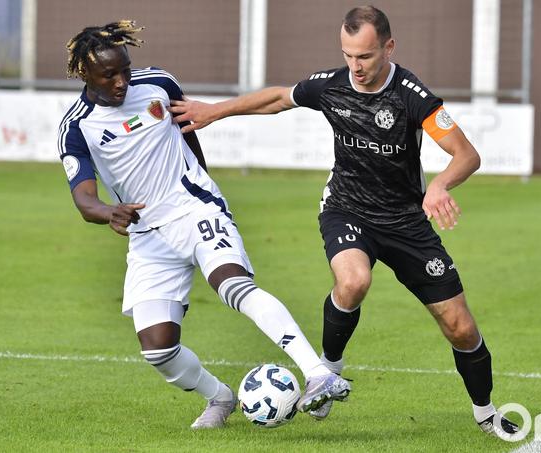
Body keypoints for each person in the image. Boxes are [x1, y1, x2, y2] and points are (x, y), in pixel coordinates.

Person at [169, 6, 519, 438]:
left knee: (461, 327)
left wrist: (441, 185)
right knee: (352, 282)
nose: (356, 66)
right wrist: (215, 111)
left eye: (366, 56)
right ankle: (327, 370)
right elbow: (279, 97)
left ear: (388, 47)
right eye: (348, 55)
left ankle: (485, 413)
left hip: (406, 221)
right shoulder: (331, 86)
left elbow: (467, 154)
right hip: (347, 209)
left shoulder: (415, 97)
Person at [56, 20, 350, 430]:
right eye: (109, 75)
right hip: (146, 235)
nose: (121, 80)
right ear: (83, 73)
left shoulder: (158, 84)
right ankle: (220, 397)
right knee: (157, 347)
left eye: (124, 68)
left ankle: (318, 374)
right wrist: (109, 212)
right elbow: (84, 199)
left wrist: (202, 184)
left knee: (233, 285)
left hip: (195, 209)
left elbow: (189, 130)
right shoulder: (76, 128)